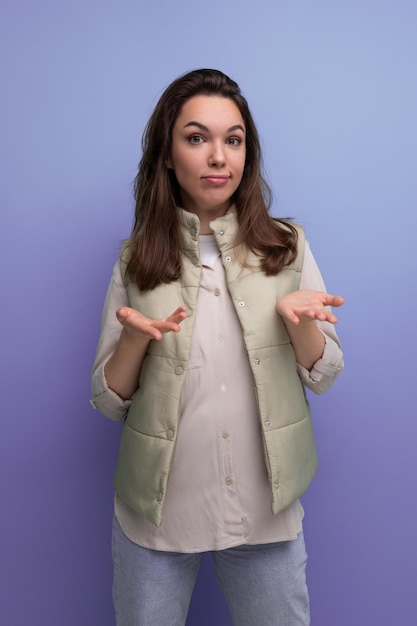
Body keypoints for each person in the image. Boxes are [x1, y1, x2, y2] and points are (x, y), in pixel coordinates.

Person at [91, 68, 344, 626]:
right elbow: (108, 402)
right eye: (197, 137)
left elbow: (324, 375)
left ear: (246, 155)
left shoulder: (286, 247)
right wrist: (135, 339)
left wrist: (298, 323)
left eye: (233, 139)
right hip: (156, 518)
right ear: (167, 154)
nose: (217, 156)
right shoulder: (136, 260)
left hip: (265, 512)